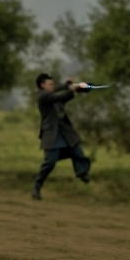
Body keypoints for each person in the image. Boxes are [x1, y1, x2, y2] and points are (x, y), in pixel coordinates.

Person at [32, 72, 91, 200]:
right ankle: (37, 185)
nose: (53, 86)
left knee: (78, 152)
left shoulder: (51, 93)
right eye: (50, 84)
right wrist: (70, 89)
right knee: (50, 162)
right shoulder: (43, 96)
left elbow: (60, 91)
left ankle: (82, 173)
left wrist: (75, 86)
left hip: (65, 132)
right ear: (42, 85)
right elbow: (58, 96)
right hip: (52, 134)